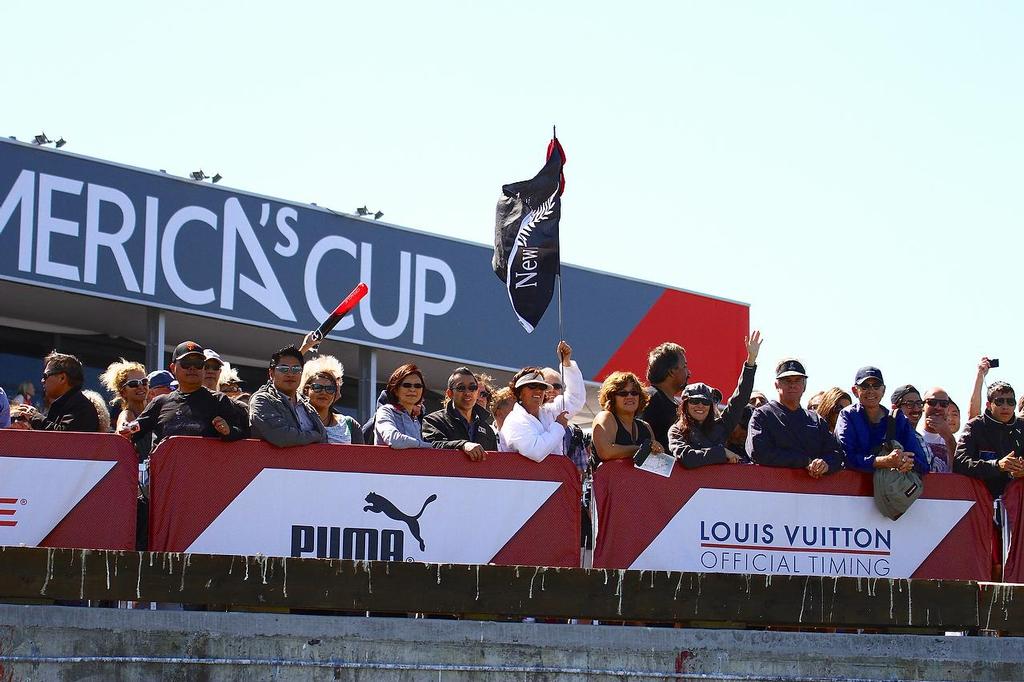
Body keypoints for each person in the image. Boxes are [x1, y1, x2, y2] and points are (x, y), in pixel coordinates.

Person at [119, 341, 249, 447]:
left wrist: (228, 431)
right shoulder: (159, 402)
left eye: (198, 364)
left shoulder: (219, 400)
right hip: (165, 476)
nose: (192, 368)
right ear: (172, 368)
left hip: (205, 475)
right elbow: (133, 432)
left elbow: (242, 434)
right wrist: (127, 428)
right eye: (186, 363)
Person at [669, 331, 762, 468]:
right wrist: (722, 452)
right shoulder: (676, 430)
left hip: (718, 488)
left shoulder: (721, 426)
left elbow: (740, 399)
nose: (700, 405)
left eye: (706, 402)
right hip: (688, 488)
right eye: (694, 401)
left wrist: (751, 360)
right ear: (685, 405)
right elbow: (688, 458)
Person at [746, 358, 844, 478]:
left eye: (797, 380)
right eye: (787, 380)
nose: (792, 385)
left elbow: (836, 453)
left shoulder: (816, 420)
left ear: (804, 386)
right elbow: (758, 452)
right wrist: (804, 461)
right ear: (777, 385)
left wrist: (826, 464)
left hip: (812, 492)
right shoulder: (762, 415)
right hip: (773, 490)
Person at [501, 341, 585, 462]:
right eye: (532, 386)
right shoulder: (513, 421)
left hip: (554, 480)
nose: (538, 391)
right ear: (519, 392)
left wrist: (566, 364)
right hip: (524, 480)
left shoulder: (549, 412)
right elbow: (536, 451)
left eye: (541, 387)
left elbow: (576, 399)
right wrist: (559, 426)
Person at [834, 367, 928, 475]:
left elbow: (922, 463)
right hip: (852, 489)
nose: (871, 391)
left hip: (891, 489)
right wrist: (883, 462)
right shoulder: (848, 415)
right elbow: (846, 457)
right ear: (855, 391)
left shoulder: (897, 419)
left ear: (883, 390)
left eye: (876, 386)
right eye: (865, 386)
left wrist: (908, 462)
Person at [954, 381, 1024, 498]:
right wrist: (996, 466)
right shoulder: (975, 426)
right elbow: (959, 463)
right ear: (988, 404)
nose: (1005, 406)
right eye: (999, 401)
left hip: (1017, 502)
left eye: (1010, 402)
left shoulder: (1021, 426)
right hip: (982, 501)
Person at [250, 346, 326, 447]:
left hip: (309, 462)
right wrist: (315, 436)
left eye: (296, 369)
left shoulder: (307, 405)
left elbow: (324, 437)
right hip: (272, 462)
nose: (290, 374)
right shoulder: (262, 400)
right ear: (271, 373)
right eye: (284, 369)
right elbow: (282, 436)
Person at [10, 352, 99, 432]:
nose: (42, 380)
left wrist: (34, 417)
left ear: (62, 378)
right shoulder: (69, 403)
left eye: (45, 376)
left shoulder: (81, 408)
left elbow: (63, 438)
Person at [422, 367, 497, 461]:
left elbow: (494, 462)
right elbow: (432, 446)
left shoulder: (487, 430)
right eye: (461, 388)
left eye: (472, 387)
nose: (467, 393)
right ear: (450, 393)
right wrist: (463, 445)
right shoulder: (433, 421)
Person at [591, 371, 660, 462]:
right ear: (611, 397)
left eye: (634, 393)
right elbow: (605, 452)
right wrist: (640, 449)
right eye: (623, 393)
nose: (630, 396)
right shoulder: (606, 417)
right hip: (607, 476)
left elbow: (654, 463)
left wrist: (657, 451)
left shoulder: (645, 427)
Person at [299, 355, 362, 445]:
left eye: (330, 388)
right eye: (317, 387)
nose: (324, 392)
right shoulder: (297, 420)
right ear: (306, 390)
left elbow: (362, 457)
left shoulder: (350, 425)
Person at [640, 342, 689, 452]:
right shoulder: (649, 398)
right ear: (672, 372)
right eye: (684, 366)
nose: (688, 372)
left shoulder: (678, 404)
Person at [541, 363, 590, 472]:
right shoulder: (528, 420)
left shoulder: (575, 433)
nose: (552, 390)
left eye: (557, 386)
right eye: (547, 386)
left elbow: (581, 472)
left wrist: (567, 363)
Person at [890, 384, 946, 473]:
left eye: (919, 404)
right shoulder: (891, 434)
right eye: (909, 404)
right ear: (895, 408)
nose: (916, 409)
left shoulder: (918, 438)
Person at [374, 363, 433, 448]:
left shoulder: (416, 420)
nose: (412, 389)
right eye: (406, 385)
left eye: (418, 386)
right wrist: (428, 446)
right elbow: (394, 440)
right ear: (395, 390)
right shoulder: (385, 411)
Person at [100, 359, 149, 432]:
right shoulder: (127, 414)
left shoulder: (154, 409)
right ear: (123, 392)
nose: (141, 386)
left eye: (144, 382)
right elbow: (122, 428)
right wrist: (128, 428)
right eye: (133, 384)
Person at [919, 388, 957, 472]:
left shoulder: (952, 440)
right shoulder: (915, 436)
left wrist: (949, 438)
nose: (938, 407)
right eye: (932, 402)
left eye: (944, 404)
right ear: (922, 406)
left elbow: (958, 468)